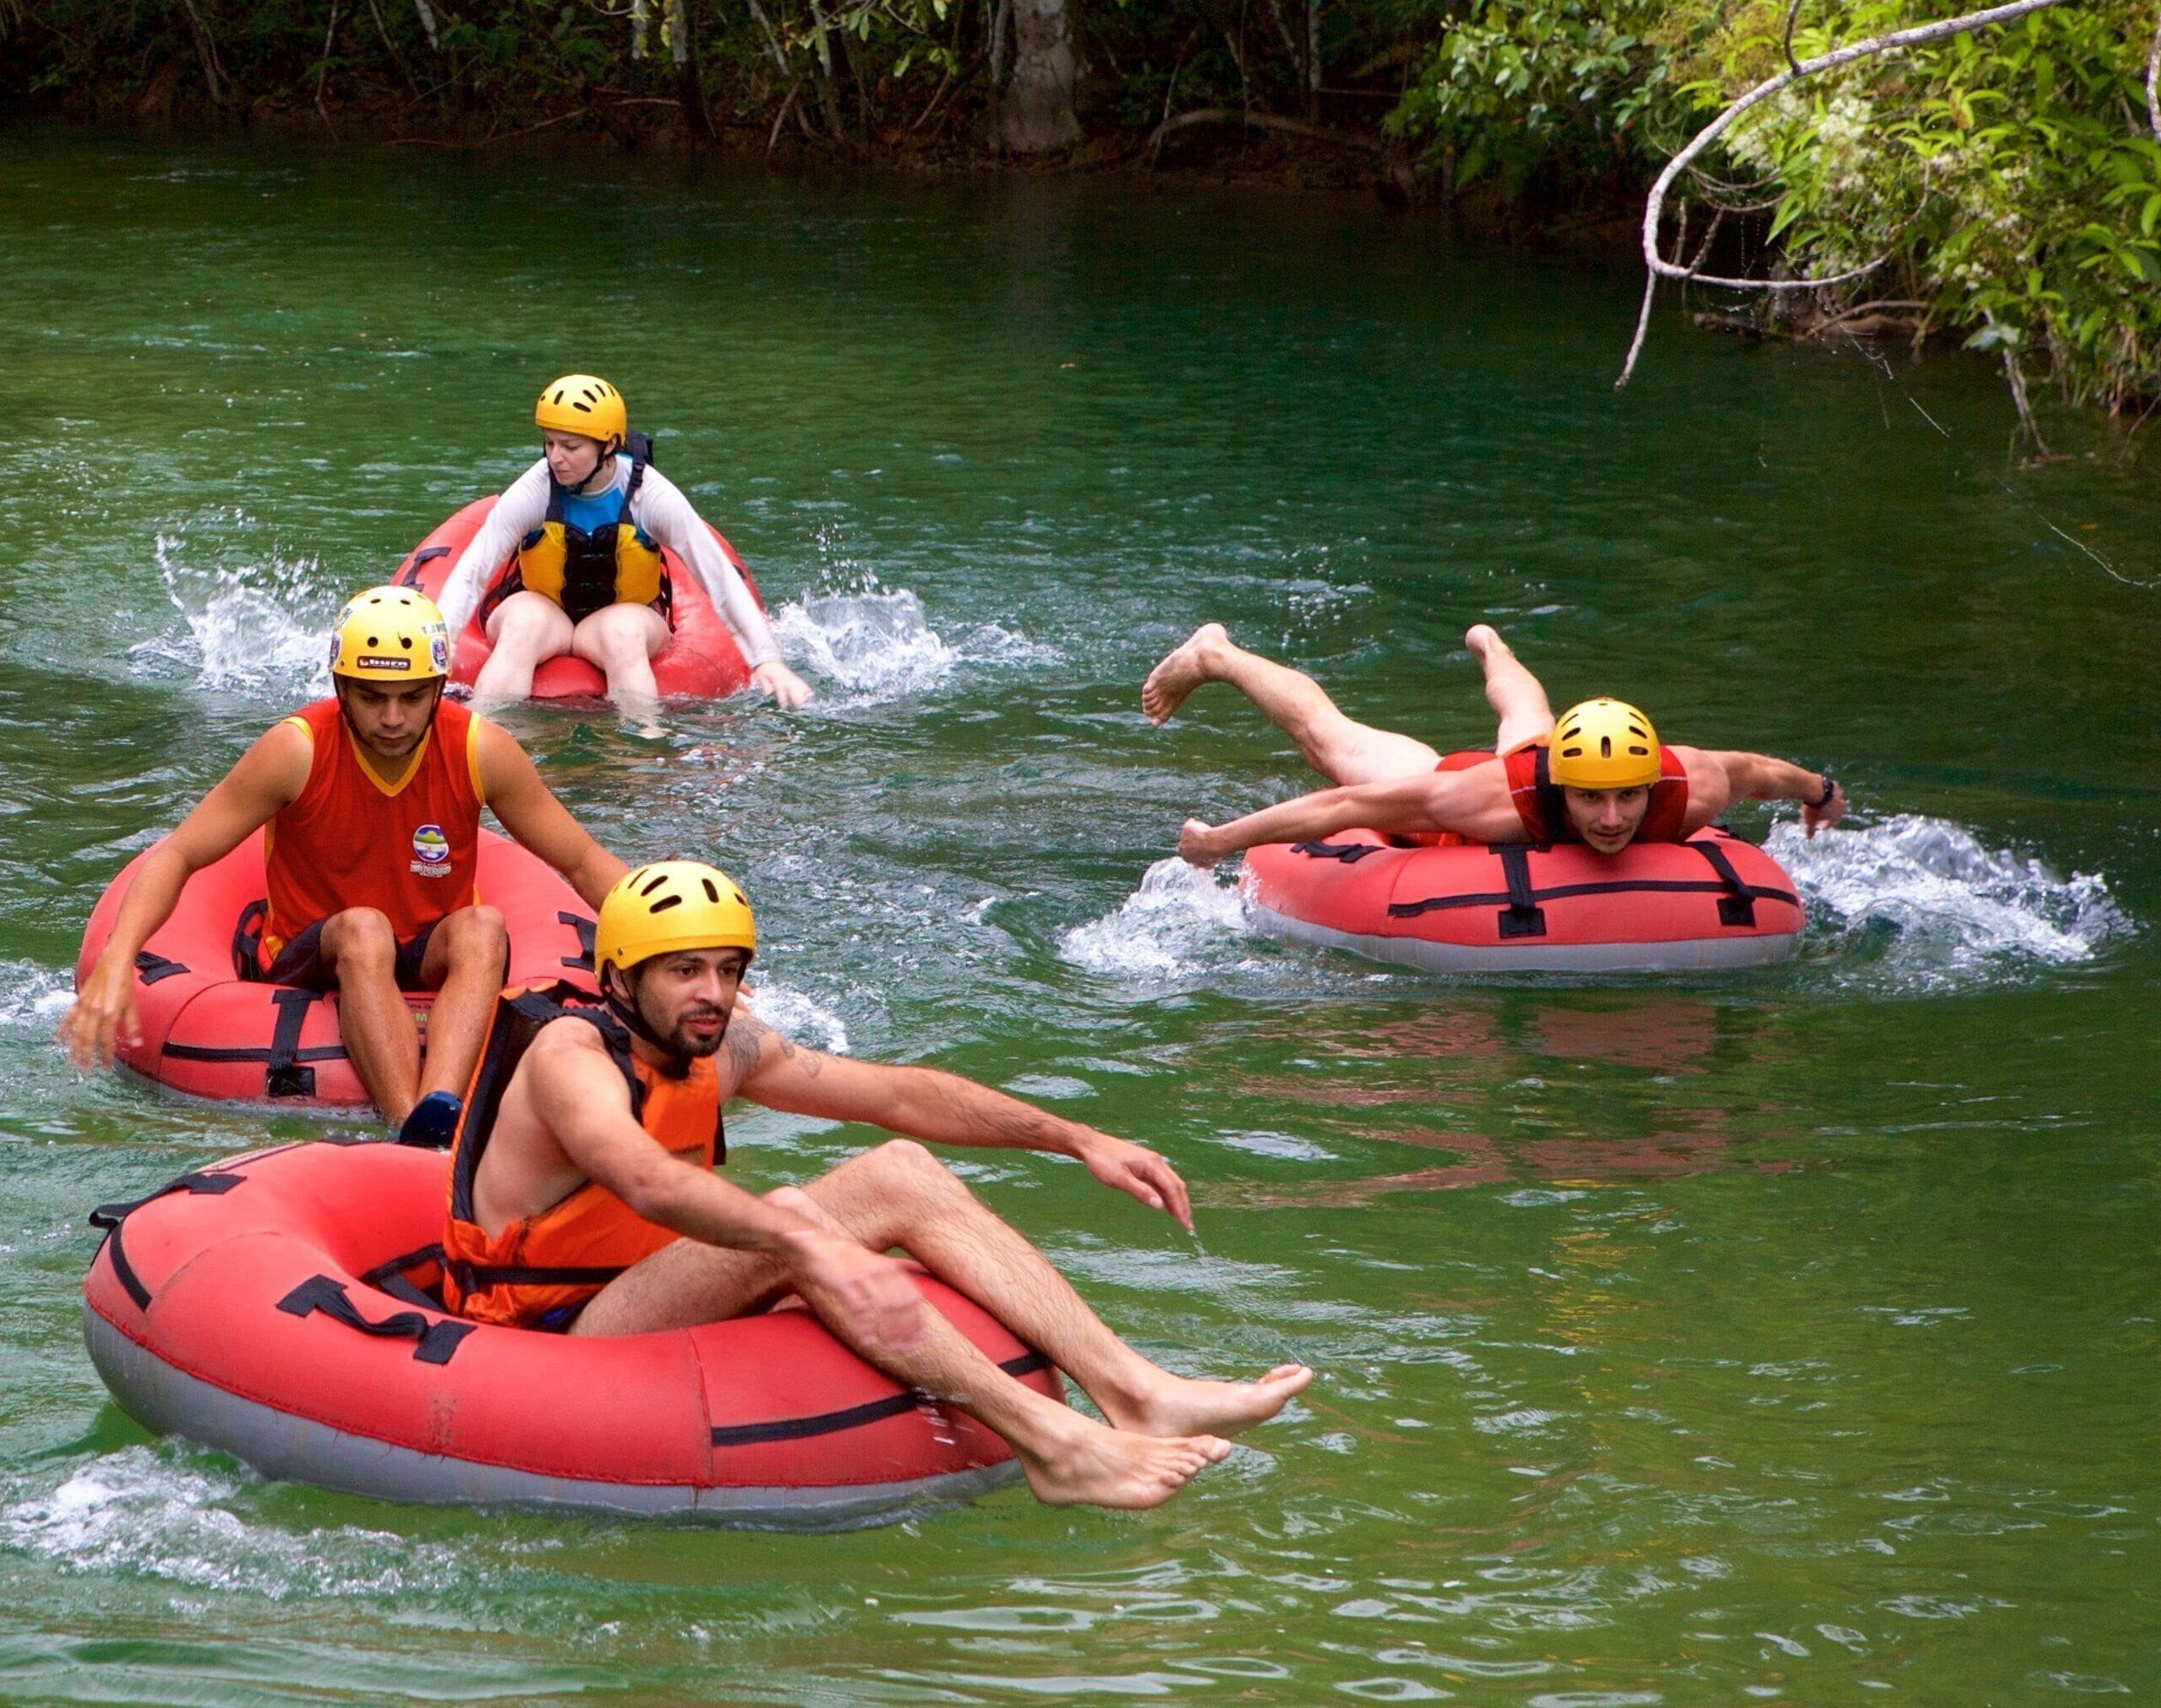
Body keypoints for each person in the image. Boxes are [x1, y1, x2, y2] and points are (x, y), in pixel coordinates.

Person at [439, 859, 1315, 1510]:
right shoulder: (571, 1057)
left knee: (897, 1170)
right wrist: (801, 1241)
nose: (714, 995)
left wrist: (1075, 1137)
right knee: (791, 1214)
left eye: (728, 969)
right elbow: (643, 1179)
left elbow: (897, 1094)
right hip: (546, 1329)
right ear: (620, 979)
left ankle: (1135, 1392)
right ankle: (1056, 1446)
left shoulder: (724, 1046)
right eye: (684, 971)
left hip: (642, 1287)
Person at [61, 587, 628, 1147]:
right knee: (364, 927)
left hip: (424, 947)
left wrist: (678, 943)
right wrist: (118, 955)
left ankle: (442, 1113)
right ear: (340, 689)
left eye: (410, 698)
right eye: (370, 697)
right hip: (318, 948)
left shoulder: (480, 749)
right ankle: (412, 1132)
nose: (391, 718)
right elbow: (180, 853)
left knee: (483, 927)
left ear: (438, 691)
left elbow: (579, 860)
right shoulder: (296, 750)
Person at [1140, 622, 1849, 865]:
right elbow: (1344, 805)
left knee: (1531, 725)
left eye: (1627, 798)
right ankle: (1216, 655)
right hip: (1490, 781)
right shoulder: (1486, 801)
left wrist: (1821, 792)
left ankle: (1491, 645)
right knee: (1333, 743)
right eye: (1592, 801)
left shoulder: (1689, 786)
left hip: (1545, 757)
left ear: (1651, 783)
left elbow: (1759, 770)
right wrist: (1218, 842)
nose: (1612, 820)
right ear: (1563, 787)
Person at [433, 374, 815, 712]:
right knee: (522, 625)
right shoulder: (533, 490)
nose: (555, 458)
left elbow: (717, 575)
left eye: (571, 446)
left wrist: (767, 659)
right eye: (549, 443)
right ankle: (486, 752)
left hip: (623, 615)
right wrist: (439, 648)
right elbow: (473, 571)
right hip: (543, 611)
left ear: (610, 445)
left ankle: (637, 767)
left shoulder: (651, 496)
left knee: (623, 635)